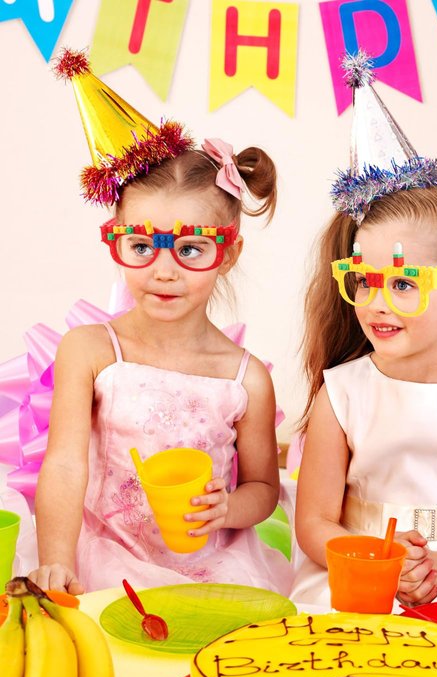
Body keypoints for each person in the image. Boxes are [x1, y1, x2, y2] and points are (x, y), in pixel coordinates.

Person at [28, 50, 293, 595]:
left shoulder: (244, 378)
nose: (163, 271)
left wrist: (228, 508)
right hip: (105, 553)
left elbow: (264, 487)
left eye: (191, 248)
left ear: (228, 253)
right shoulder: (90, 350)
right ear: (118, 241)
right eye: (141, 245)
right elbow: (64, 466)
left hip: (208, 564)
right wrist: (57, 561)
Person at [291, 53, 437, 608]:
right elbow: (314, 524)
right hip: (357, 564)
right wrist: (375, 559)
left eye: (403, 284)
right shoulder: (343, 393)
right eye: (365, 281)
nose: (377, 303)